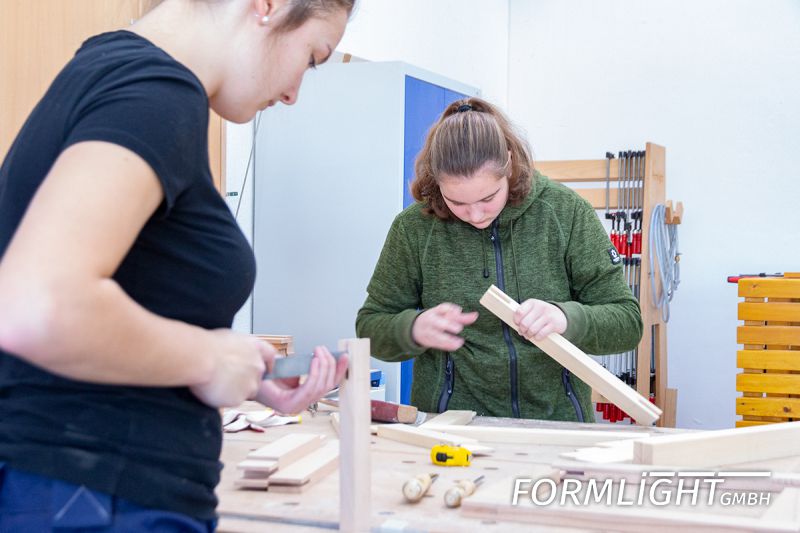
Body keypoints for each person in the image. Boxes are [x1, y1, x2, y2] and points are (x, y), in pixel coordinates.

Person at [0, 0, 354, 529]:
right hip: (96, 495)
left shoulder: (119, 75)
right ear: (268, 6)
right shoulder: (154, 94)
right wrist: (206, 359)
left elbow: (122, 299)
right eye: (311, 57)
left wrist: (238, 365)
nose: (292, 93)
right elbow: (36, 306)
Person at [356, 97, 643, 422]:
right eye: (456, 202)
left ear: (509, 163)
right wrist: (412, 328)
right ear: (436, 181)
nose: (475, 214)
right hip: (451, 427)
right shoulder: (414, 228)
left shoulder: (566, 213)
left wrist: (566, 318)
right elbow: (370, 327)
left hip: (556, 426)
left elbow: (627, 323)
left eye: (488, 197)